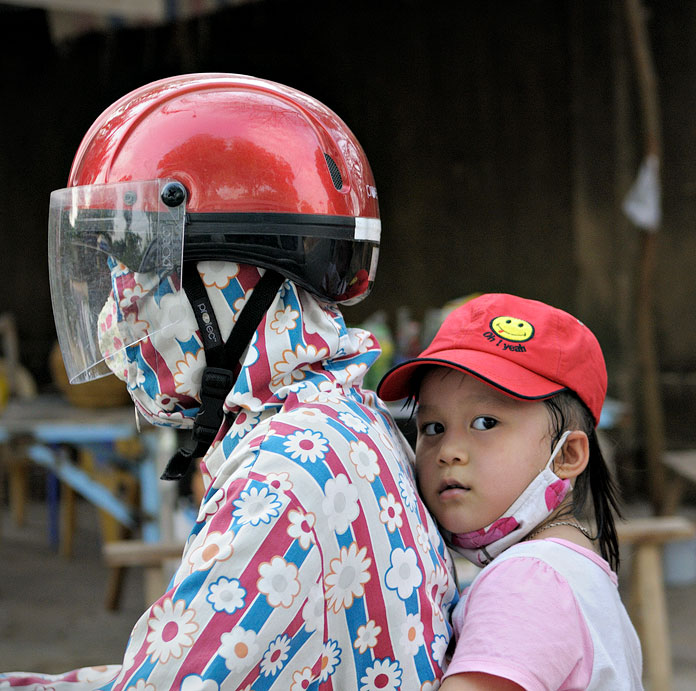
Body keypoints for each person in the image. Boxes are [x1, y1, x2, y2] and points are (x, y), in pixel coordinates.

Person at [2, 73, 456, 689]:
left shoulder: (281, 485)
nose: (118, 312)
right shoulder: (343, 419)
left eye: (143, 274)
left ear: (240, 288)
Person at [376, 292, 643, 690]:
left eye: (485, 423)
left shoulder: (527, 583)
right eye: (433, 428)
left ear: (567, 454)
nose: (449, 452)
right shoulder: (570, 570)